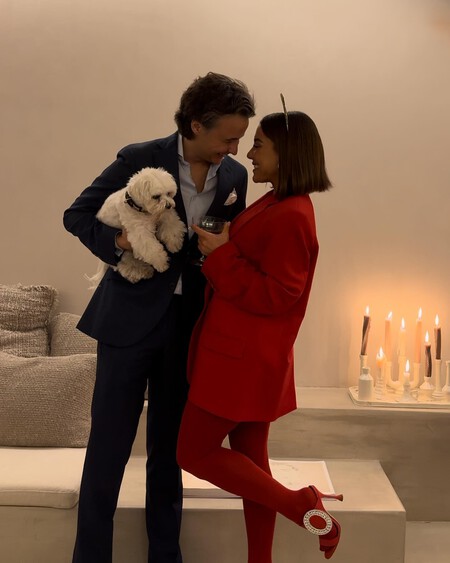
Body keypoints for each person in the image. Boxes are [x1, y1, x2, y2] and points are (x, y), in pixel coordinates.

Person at [63, 72, 255, 563]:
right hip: (126, 324)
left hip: (189, 327)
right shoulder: (138, 158)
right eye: (227, 138)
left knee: (170, 451)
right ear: (196, 125)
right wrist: (121, 242)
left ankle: (165, 556)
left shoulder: (234, 177)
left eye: (240, 139)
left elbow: (222, 241)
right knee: (108, 448)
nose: (234, 149)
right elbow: (77, 215)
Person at [177, 109, 343, 562]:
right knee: (254, 470)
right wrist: (229, 243)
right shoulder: (276, 202)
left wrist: (222, 255)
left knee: (192, 453)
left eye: (259, 145)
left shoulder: (292, 214)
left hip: (239, 362)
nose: (248, 154)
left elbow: (278, 294)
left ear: (285, 152)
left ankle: (302, 504)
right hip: (248, 358)